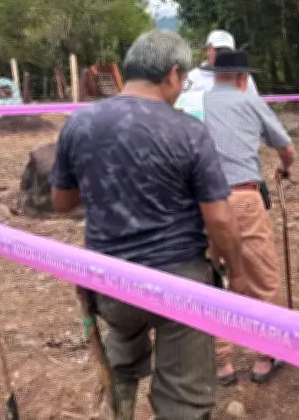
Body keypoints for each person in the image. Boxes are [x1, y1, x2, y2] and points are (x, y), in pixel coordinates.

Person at [50, 30, 243, 420]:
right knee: (184, 398)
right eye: (182, 80)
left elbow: (62, 202)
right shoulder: (188, 131)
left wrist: (109, 186)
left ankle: (117, 408)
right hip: (179, 287)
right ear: (172, 74)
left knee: (120, 364)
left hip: (109, 281)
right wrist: (236, 271)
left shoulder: (79, 124)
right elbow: (220, 219)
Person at [182, 48, 295, 385]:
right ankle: (264, 356)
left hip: (202, 203)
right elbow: (286, 148)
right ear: (243, 78)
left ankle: (222, 362)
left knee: (212, 278)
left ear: (214, 75)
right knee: (263, 277)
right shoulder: (251, 102)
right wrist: (284, 167)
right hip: (244, 198)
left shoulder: (192, 104)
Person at [184, 29, 259, 95]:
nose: (222, 54)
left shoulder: (243, 77)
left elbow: (254, 101)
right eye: (218, 50)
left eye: (227, 51)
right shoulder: (193, 77)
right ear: (208, 49)